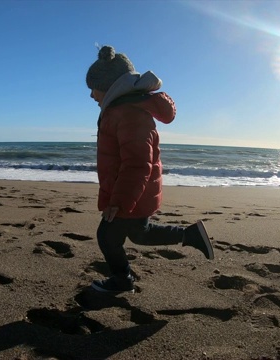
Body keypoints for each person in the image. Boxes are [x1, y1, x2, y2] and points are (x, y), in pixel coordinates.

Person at [85, 45, 214, 294]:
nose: (91, 95)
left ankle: (123, 280)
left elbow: (136, 164)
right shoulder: (121, 111)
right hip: (134, 192)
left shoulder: (127, 114)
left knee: (107, 236)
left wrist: (119, 202)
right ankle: (190, 236)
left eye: (94, 88)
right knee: (140, 234)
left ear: (110, 86)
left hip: (131, 193)